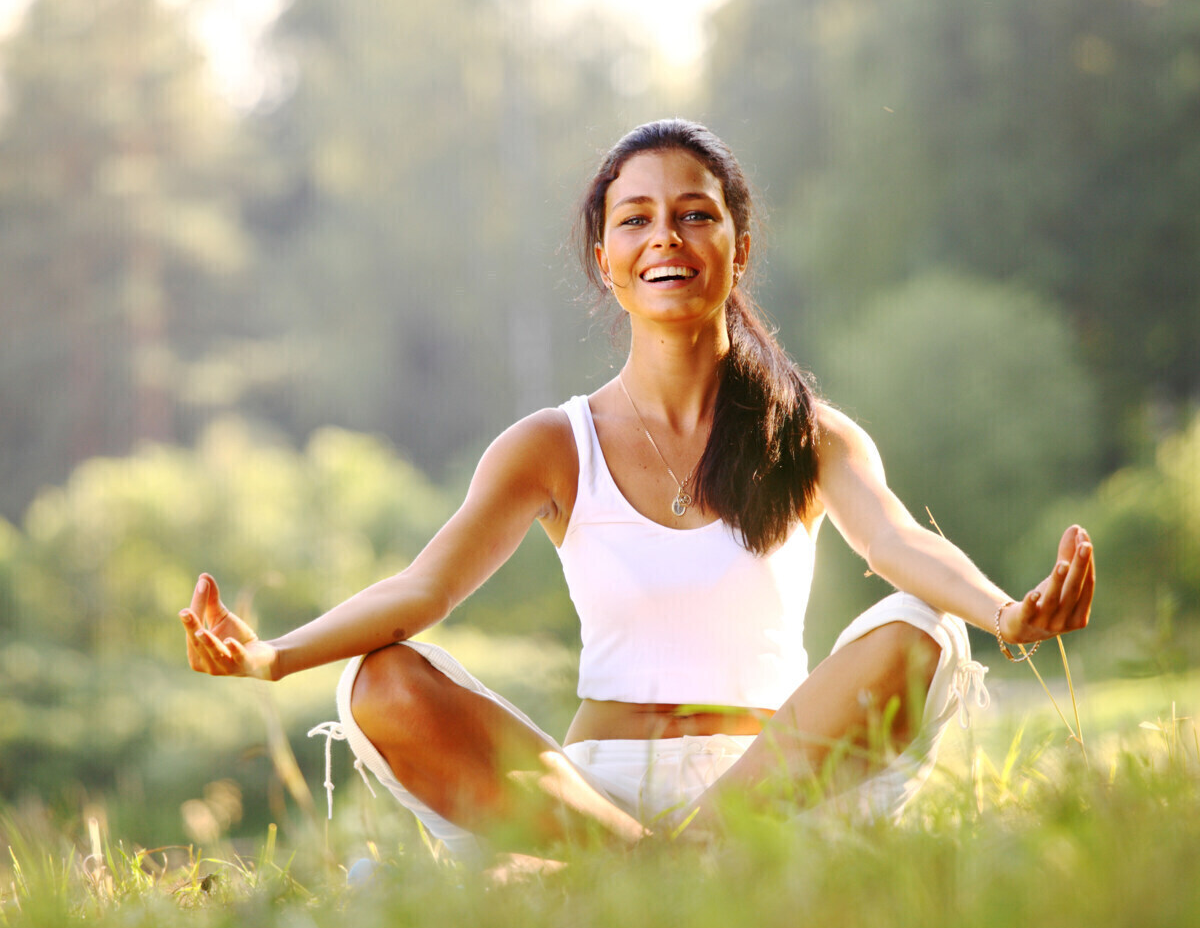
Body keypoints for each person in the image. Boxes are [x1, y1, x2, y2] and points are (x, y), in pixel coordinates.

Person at [180, 119, 1095, 859]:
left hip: (770, 791)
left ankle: (674, 866)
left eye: (696, 215)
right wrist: (270, 658)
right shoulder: (550, 446)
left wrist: (1004, 612)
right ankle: (654, 868)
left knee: (918, 630)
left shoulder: (808, 436)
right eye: (637, 218)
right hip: (592, 803)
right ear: (605, 259)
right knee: (380, 681)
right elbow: (419, 594)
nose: (667, 236)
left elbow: (899, 545)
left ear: (738, 248)